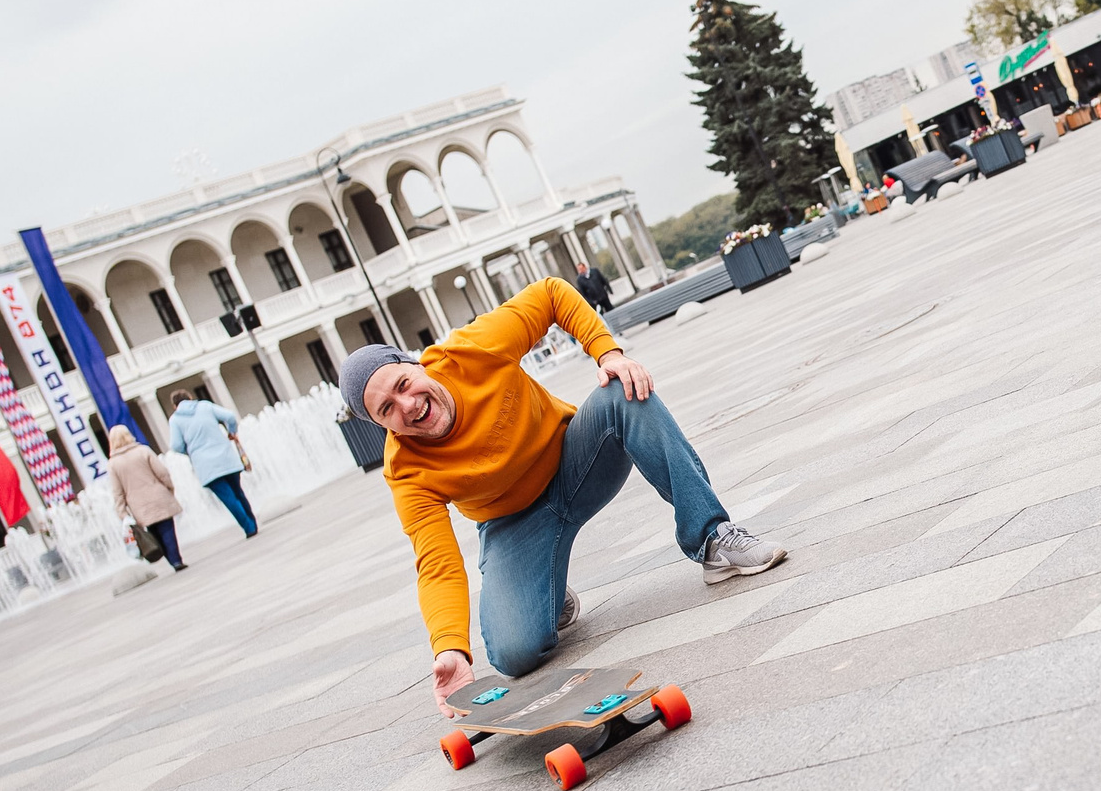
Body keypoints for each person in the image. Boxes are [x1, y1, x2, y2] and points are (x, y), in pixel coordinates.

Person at [338, 276, 785, 716]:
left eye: (402, 384)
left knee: (623, 389)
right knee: (513, 654)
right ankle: (547, 593)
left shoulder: (471, 350)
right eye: (387, 409)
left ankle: (710, 538)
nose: (408, 406)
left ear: (416, 365)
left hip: (577, 463)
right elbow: (436, 563)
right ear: (381, 425)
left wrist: (608, 353)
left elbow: (551, 293)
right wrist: (449, 647)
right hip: (513, 523)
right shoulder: (406, 470)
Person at [168, 396, 256, 537]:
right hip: (226, 457)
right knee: (238, 492)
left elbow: (176, 445)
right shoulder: (205, 406)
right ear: (190, 398)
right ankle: (252, 522)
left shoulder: (175, 420)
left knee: (228, 498)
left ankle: (249, 527)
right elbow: (230, 416)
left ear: (174, 405)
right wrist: (232, 432)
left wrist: (191, 451)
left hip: (205, 465)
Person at [107, 425, 186, 572]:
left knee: (153, 532)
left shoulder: (113, 464)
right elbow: (162, 473)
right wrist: (169, 488)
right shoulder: (143, 451)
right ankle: (176, 560)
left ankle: (172, 559)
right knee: (167, 529)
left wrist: (122, 513)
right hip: (159, 496)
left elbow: (117, 491)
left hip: (138, 506)